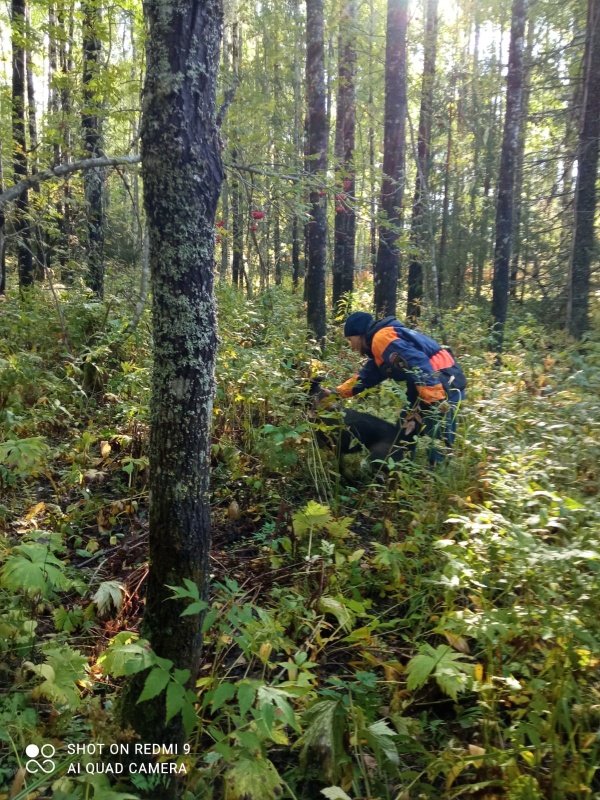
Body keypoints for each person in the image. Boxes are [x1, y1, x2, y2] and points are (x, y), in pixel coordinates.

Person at [320, 312, 467, 465]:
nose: (352, 346)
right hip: (427, 386)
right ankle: (399, 470)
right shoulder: (379, 348)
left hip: (441, 384)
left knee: (437, 436)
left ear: (359, 334)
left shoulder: (382, 339)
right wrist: (335, 393)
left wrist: (435, 401)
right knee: (404, 432)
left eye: (350, 340)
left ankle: (436, 480)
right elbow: (364, 378)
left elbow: (418, 362)